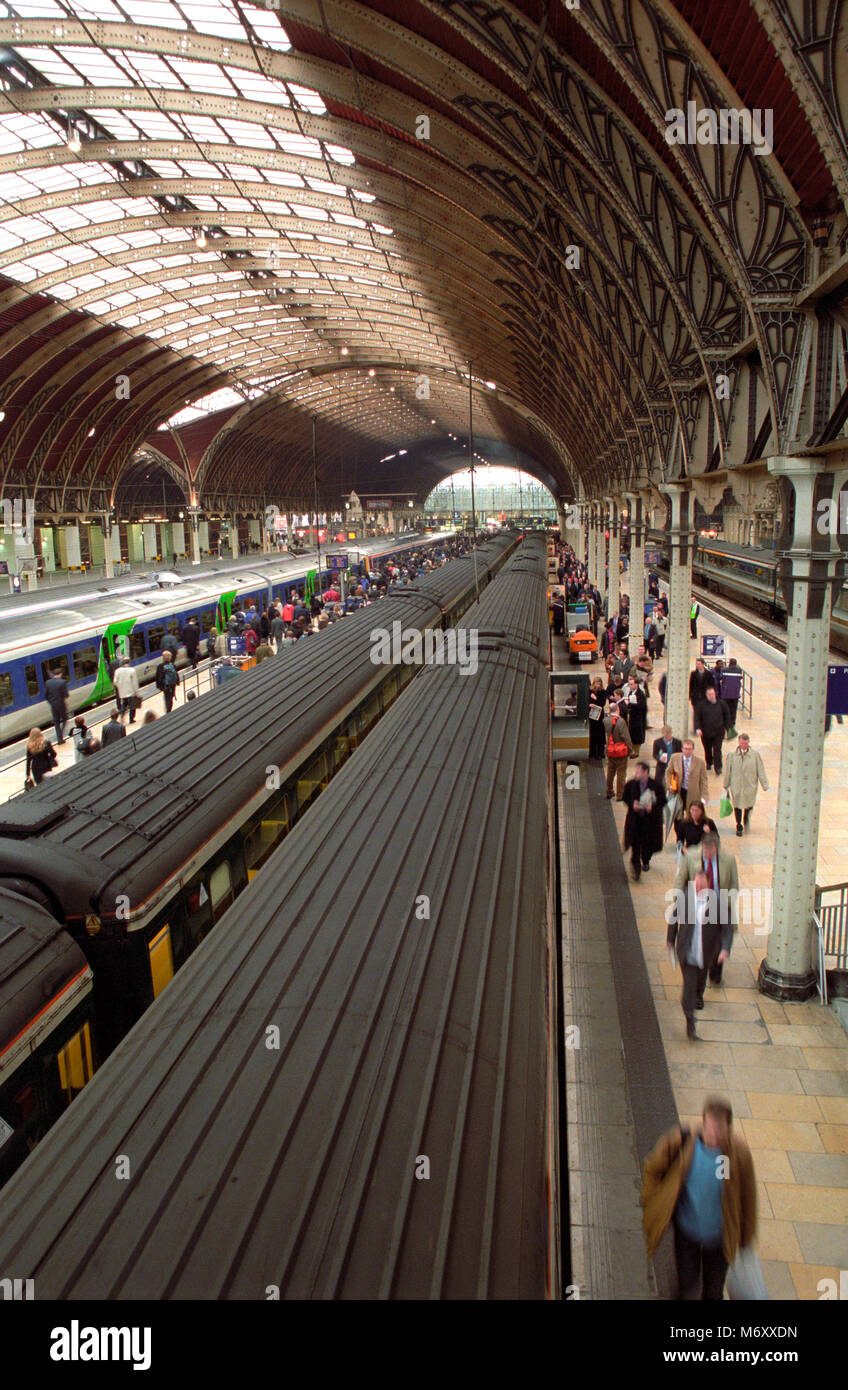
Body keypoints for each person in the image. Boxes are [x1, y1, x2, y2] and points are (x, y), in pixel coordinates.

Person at [641, 1096, 757, 1298]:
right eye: (710, 1128)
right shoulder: (682, 1140)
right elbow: (653, 1167)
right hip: (687, 1232)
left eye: (719, 1130)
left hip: (720, 1238)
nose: (713, 1135)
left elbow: (748, 1196)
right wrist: (650, 1200)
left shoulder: (738, 1153)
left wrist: (746, 1236)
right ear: (703, 1122)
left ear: (728, 1128)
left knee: (713, 1291)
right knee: (687, 1283)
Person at [673, 832, 739, 988]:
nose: (708, 854)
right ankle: (697, 986)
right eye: (705, 850)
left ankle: (715, 971)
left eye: (711, 851)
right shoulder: (690, 858)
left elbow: (734, 887)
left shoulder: (728, 860)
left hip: (718, 910)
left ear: (717, 848)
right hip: (697, 908)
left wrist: (723, 904)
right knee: (698, 943)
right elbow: (679, 882)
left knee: (717, 944)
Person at [622, 761, 666, 881]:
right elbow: (625, 797)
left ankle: (646, 860)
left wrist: (653, 807)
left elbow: (663, 801)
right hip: (635, 821)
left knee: (647, 844)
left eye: (638, 771)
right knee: (635, 846)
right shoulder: (631, 784)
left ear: (646, 772)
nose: (635, 774)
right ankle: (636, 870)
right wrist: (632, 804)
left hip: (649, 822)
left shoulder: (656, 786)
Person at [723, 734, 769, 837]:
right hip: (737, 785)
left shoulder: (755, 755)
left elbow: (761, 770)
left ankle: (746, 819)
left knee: (749, 804)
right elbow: (727, 771)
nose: (744, 745)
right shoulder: (732, 755)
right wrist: (725, 784)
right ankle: (739, 825)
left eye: (746, 743)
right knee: (737, 805)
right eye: (742, 743)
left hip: (750, 785)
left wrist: (764, 784)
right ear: (739, 742)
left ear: (748, 743)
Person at [694, 685, 731, 776]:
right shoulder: (701, 705)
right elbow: (697, 718)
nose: (711, 696)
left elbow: (727, 716)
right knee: (707, 749)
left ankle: (718, 767)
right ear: (706, 695)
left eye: (712, 694)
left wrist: (727, 727)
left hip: (718, 732)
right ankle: (709, 762)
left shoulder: (722, 704)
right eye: (709, 694)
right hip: (706, 732)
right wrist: (698, 728)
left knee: (717, 749)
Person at [667, 739, 709, 812]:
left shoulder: (700, 762)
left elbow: (703, 781)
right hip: (679, 791)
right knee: (677, 814)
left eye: (689, 749)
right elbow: (669, 772)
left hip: (693, 793)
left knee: (691, 814)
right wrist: (669, 785)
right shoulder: (674, 758)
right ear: (682, 749)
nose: (687, 751)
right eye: (685, 749)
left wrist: (704, 796)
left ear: (693, 750)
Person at [604, 700, 634, 801]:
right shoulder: (621, 721)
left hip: (610, 750)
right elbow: (626, 737)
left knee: (610, 772)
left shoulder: (606, 720)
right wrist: (631, 750)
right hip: (621, 751)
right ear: (618, 710)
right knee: (621, 773)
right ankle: (620, 795)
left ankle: (609, 791)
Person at [622, 673, 647, 756]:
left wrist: (629, 704)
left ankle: (636, 751)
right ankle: (631, 749)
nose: (630, 686)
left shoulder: (640, 694)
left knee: (636, 734)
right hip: (631, 716)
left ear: (636, 684)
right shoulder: (631, 692)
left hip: (638, 718)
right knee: (631, 733)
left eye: (632, 684)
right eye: (629, 684)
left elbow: (641, 705)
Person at [44, 668, 69, 745]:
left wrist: (51, 702)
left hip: (53, 705)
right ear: (60, 674)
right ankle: (61, 735)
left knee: (56, 722)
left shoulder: (48, 682)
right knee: (65, 719)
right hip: (61, 705)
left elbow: (46, 696)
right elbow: (66, 695)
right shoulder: (62, 682)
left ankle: (59, 738)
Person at [719, 659, 743, 736]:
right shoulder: (739, 670)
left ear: (729, 663)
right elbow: (740, 679)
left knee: (726, 709)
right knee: (733, 709)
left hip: (726, 694)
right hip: (735, 694)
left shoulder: (725, 670)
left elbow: (720, 677)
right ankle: (732, 723)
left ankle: (726, 723)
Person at [688, 658, 715, 728]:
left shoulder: (708, 674)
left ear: (703, 664)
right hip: (696, 697)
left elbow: (712, 685)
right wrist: (690, 695)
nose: (697, 665)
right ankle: (696, 727)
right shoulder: (693, 674)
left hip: (705, 696)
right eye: (696, 664)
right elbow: (691, 685)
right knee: (696, 713)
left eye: (699, 664)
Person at [113, 658, 140, 723]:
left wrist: (120, 687)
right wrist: (137, 691)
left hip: (122, 692)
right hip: (131, 691)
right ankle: (131, 719)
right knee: (133, 705)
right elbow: (135, 682)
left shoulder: (117, 671)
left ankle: (122, 716)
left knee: (124, 705)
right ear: (129, 663)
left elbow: (115, 681)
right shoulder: (132, 670)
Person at [588, 676, 606, 760]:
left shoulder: (602, 692)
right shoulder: (590, 691)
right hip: (592, 715)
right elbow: (587, 701)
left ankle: (600, 752)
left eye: (599, 684)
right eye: (596, 684)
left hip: (599, 715)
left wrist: (595, 699)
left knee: (600, 735)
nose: (598, 685)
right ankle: (592, 752)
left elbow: (602, 703)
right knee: (592, 734)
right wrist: (589, 704)